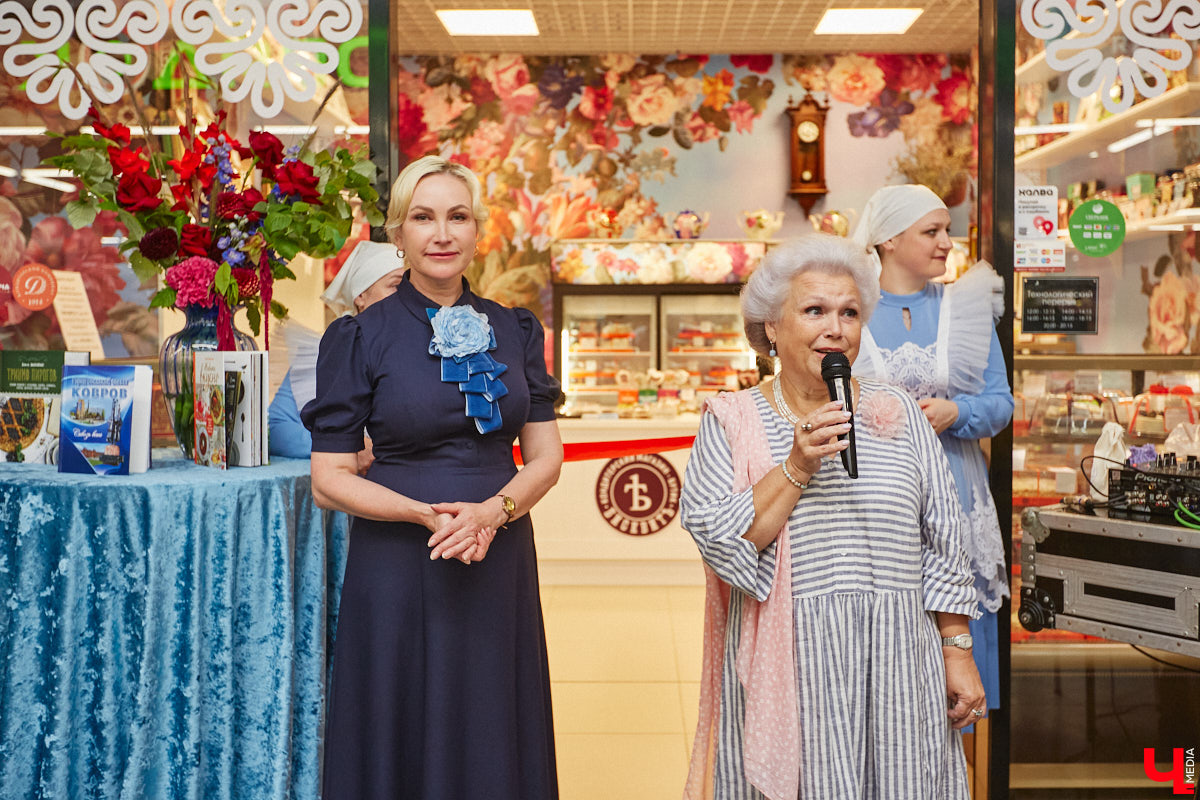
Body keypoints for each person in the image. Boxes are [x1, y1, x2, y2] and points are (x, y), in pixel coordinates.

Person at [681, 234, 983, 799]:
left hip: (898, 660)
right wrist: (796, 464)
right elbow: (723, 543)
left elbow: (944, 539)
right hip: (795, 663)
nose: (835, 328)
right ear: (771, 326)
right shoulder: (731, 420)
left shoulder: (899, 414)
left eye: (849, 313)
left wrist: (957, 648)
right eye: (814, 310)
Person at [301, 156, 564, 800]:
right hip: (396, 561)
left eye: (457, 216)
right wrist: (425, 514)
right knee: (399, 722)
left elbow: (547, 458)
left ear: (478, 233)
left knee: (491, 719)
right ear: (399, 234)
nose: (441, 233)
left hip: (496, 554)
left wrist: (491, 513)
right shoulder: (360, 336)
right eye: (423, 217)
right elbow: (329, 479)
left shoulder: (516, 329)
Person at [852, 183, 1013, 722]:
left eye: (948, 230)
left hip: (959, 491)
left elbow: (999, 402)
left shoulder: (965, 307)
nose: (947, 242)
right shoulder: (849, 311)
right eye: (932, 231)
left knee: (959, 631)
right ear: (890, 240)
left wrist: (956, 414)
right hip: (876, 503)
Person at [267, 239, 405, 459]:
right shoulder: (322, 355)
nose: (407, 295)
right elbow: (276, 429)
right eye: (396, 285)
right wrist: (348, 448)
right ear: (360, 295)